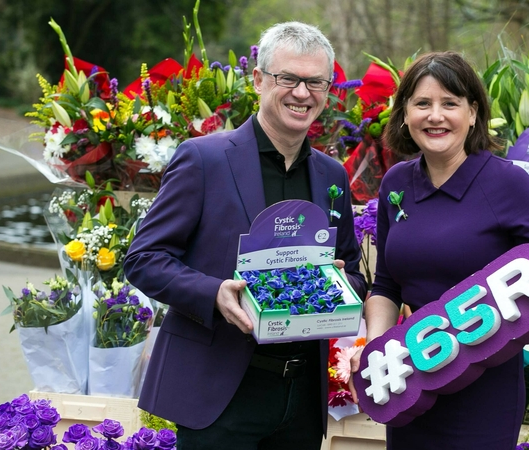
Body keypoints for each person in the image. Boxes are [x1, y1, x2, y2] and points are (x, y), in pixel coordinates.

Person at [348, 51, 529, 450]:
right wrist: (375, 350)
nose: (435, 116)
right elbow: (386, 285)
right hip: (410, 380)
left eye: (450, 103)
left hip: (485, 384)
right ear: (404, 114)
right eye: (422, 104)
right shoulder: (396, 183)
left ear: (473, 113)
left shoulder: (508, 184)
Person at [123, 22, 367, 450]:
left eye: (315, 82)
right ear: (258, 79)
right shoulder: (204, 159)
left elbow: (354, 273)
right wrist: (213, 293)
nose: (302, 93)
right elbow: (144, 258)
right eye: (287, 78)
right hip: (218, 391)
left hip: (302, 397)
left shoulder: (331, 175)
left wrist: (336, 284)